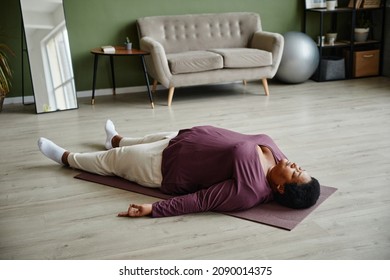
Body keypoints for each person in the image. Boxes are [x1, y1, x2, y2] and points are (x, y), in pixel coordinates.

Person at [38, 120, 320, 218]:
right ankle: (114, 138)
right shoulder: (280, 159)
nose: (295, 165)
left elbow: (200, 201)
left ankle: (66, 157)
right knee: (140, 140)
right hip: (183, 138)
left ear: (282, 188)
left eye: (296, 173)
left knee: (113, 161)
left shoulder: (249, 191)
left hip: (163, 167)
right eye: (301, 168)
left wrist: (152, 209)